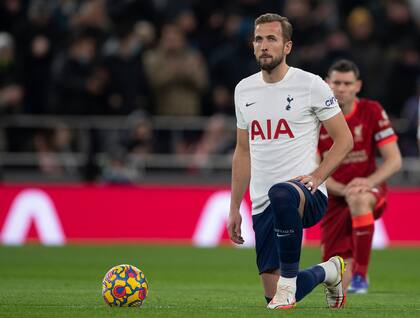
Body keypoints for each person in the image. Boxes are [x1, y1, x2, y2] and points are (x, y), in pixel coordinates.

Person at [227, 13, 353, 310]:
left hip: (304, 193)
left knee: (281, 192)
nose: (264, 45)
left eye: (272, 39)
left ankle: (288, 283)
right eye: (259, 39)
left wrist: (318, 176)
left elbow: (344, 139)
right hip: (262, 203)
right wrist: (234, 206)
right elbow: (242, 151)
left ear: (287, 47)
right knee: (275, 301)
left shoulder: (311, 85)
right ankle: (329, 271)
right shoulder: (243, 90)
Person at [318, 59, 402, 293]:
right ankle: (351, 281)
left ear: (358, 85)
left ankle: (361, 276)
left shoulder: (371, 111)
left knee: (359, 199)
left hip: (368, 188)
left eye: (347, 83)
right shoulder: (317, 118)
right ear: (327, 84)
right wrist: (343, 190)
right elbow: (316, 170)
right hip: (334, 197)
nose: (341, 88)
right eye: (336, 83)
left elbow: (394, 159)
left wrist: (368, 182)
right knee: (335, 287)